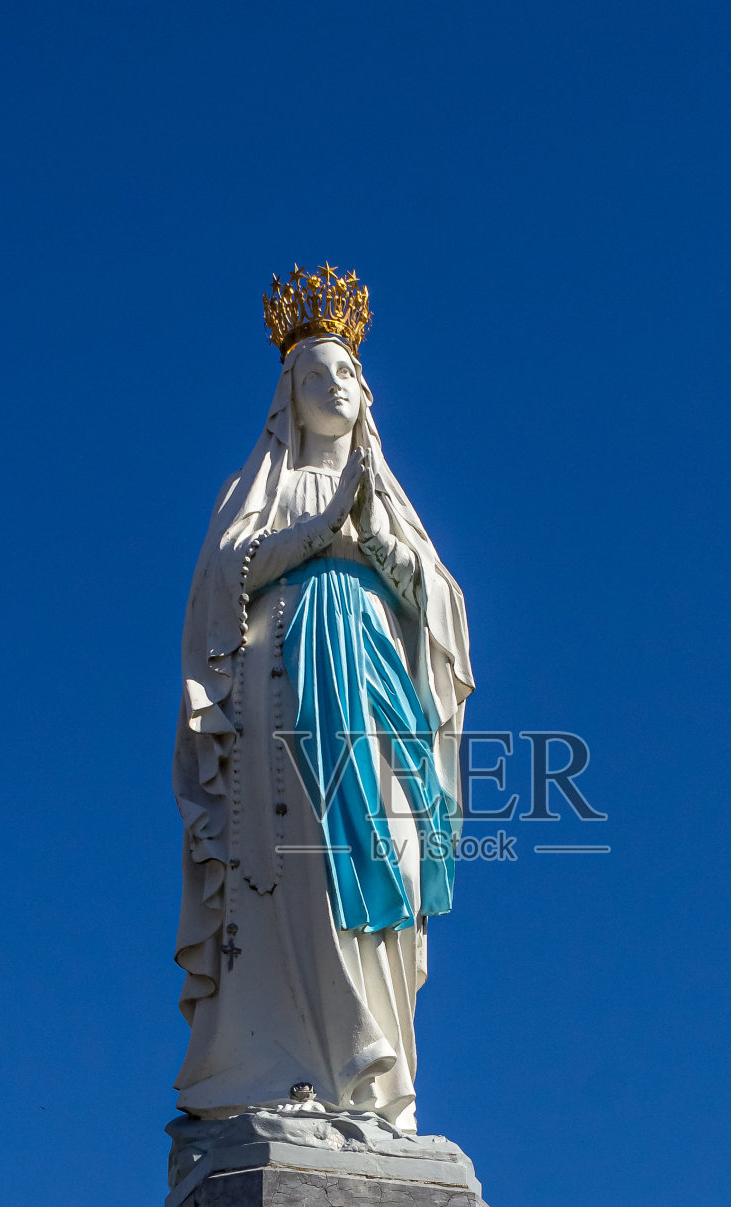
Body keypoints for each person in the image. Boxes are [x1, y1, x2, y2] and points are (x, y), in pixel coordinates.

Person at [173, 283, 473, 1131]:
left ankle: (374, 1064)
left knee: (382, 846)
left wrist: (371, 533)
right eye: (317, 373)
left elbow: (442, 610)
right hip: (284, 686)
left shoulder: (391, 501)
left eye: (348, 372)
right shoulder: (261, 487)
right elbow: (219, 588)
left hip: (374, 689)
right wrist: (317, 531)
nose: (336, 384)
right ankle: (289, 1061)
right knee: (297, 856)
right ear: (289, 395)